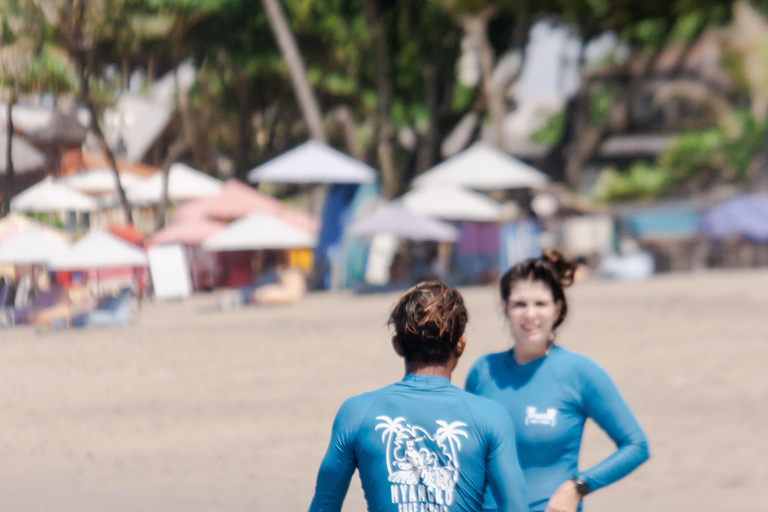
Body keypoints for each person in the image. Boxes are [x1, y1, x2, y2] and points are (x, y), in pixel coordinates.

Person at [309, 281, 528, 512]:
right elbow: (516, 507)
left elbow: (324, 505)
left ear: (398, 346)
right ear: (460, 346)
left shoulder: (356, 412)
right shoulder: (490, 417)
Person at [465, 250, 649, 512]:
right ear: (505, 307)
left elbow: (636, 445)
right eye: (520, 304)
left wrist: (578, 487)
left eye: (540, 303)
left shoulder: (579, 372)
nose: (530, 314)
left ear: (557, 308)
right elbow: (467, 457)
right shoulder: (483, 370)